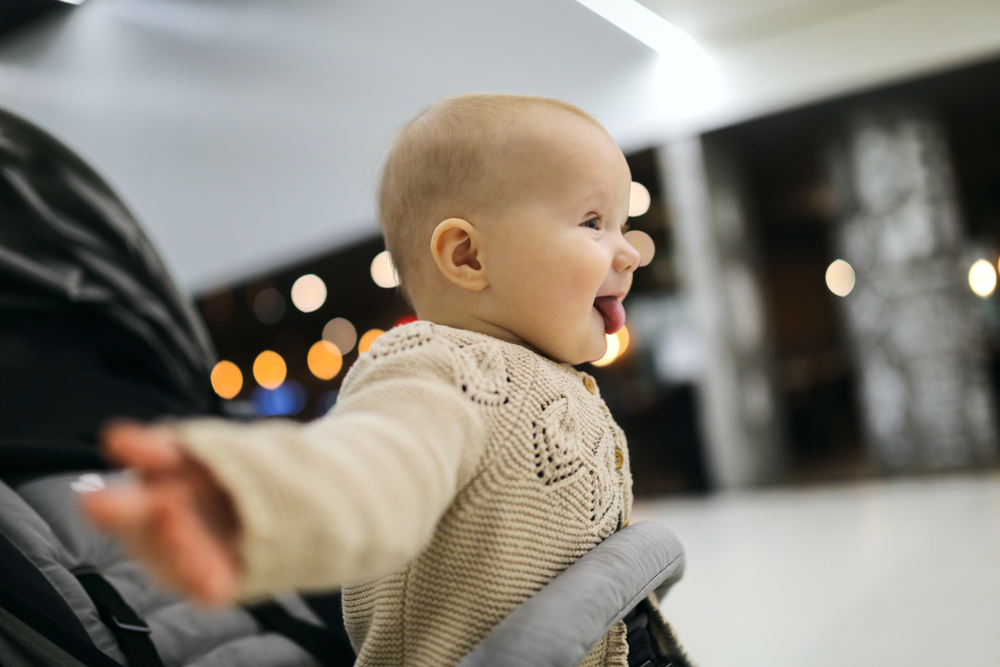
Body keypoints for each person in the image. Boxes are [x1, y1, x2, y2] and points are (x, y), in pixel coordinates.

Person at [82, 94, 690, 667]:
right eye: (592, 222)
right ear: (468, 256)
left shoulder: (545, 373)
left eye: (621, 224)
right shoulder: (441, 367)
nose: (629, 252)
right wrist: (247, 501)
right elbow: (374, 469)